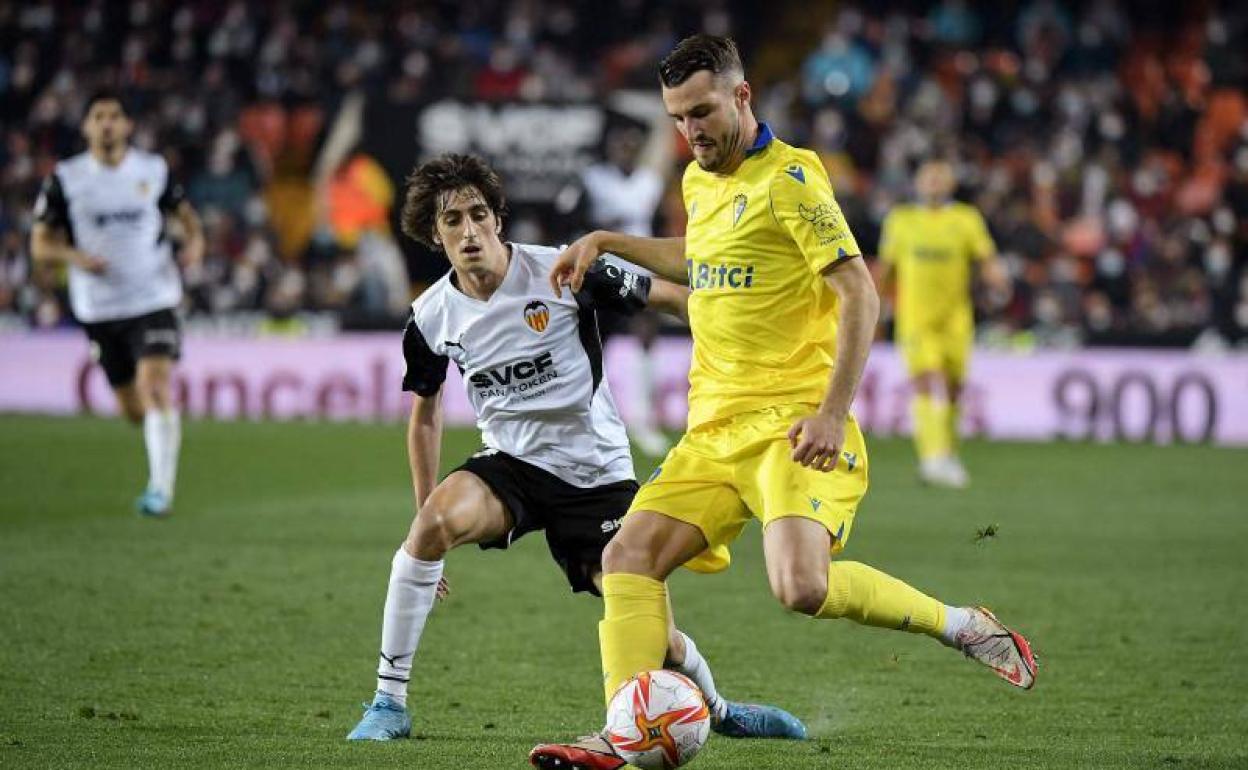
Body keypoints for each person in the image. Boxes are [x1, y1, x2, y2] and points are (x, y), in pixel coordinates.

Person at [530, 35, 1037, 770]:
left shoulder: (792, 177)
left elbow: (859, 292)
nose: (691, 131)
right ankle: (619, 732)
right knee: (627, 556)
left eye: (702, 111)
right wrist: (608, 242)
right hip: (713, 429)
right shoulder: (702, 181)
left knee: (801, 587)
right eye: (677, 118)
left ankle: (960, 625)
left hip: (791, 423)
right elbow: (704, 262)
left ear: (741, 96)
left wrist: (831, 412)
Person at [346, 153, 805, 742]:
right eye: (452, 221)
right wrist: (420, 516)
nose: (468, 232)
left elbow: (672, 298)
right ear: (434, 236)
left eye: (478, 215)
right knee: (434, 523)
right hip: (511, 464)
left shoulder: (563, 271)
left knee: (654, 637)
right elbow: (426, 416)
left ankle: (718, 709)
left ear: (498, 219)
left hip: (596, 472)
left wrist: (754, 324)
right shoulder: (430, 317)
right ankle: (388, 703)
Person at [30, 89, 204, 517]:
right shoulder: (66, 179)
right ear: (87, 127)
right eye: (98, 116)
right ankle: (158, 435)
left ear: (127, 126)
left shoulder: (152, 170)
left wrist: (195, 243)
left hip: (153, 297)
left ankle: (160, 490)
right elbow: (40, 244)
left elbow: (185, 216)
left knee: (155, 385)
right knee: (132, 408)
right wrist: (74, 258)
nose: (107, 123)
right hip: (99, 308)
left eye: (114, 116)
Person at [878, 160, 1010, 488]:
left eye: (941, 176)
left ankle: (948, 453)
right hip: (916, 320)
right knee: (926, 381)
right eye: (928, 177)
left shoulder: (966, 218)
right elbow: (886, 267)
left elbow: (986, 257)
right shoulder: (901, 220)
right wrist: (874, 306)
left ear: (951, 183)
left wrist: (997, 279)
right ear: (918, 183)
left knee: (953, 389)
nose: (934, 182)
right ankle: (932, 458)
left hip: (955, 320)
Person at [581, 118, 671, 456]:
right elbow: (571, 221)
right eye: (620, 144)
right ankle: (589, 418)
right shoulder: (593, 180)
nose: (626, 151)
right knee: (592, 344)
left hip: (639, 274)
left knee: (646, 339)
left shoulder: (650, 183)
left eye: (632, 145)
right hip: (601, 274)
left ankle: (644, 419)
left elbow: (660, 227)